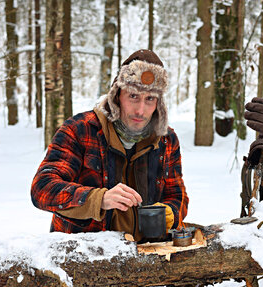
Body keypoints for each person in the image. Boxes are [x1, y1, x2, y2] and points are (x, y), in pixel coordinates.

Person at [30, 49, 188, 241]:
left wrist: (170, 212)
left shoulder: (166, 139)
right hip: (81, 255)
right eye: (133, 96)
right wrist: (98, 200)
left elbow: (177, 196)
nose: (140, 110)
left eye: (150, 99)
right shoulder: (80, 129)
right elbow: (42, 188)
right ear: (116, 95)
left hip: (147, 258)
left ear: (158, 104)